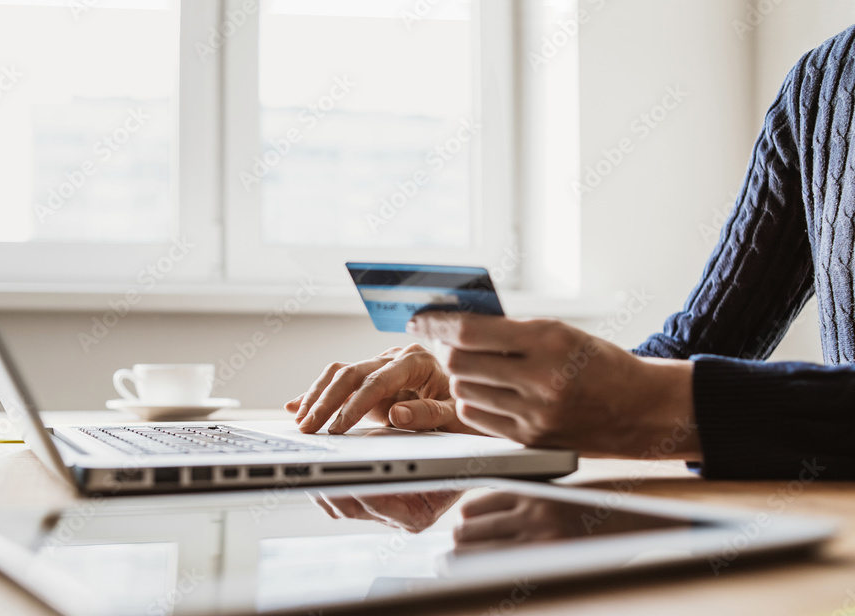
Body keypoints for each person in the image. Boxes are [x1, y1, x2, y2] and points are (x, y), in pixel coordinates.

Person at [286, 25, 855, 482]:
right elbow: (685, 356)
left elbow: (661, 396)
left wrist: (659, 406)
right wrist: (493, 393)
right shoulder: (817, 87)